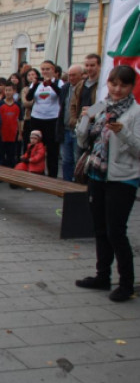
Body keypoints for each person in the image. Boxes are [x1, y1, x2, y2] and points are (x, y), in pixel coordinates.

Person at [74, 65, 140, 302]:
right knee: (100, 229)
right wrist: (84, 119)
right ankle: (102, 276)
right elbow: (82, 138)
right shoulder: (101, 106)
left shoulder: (135, 112)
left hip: (122, 179)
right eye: (113, 84)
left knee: (116, 231)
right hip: (97, 174)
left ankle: (126, 283)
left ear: (132, 87)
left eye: (123, 85)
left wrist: (123, 133)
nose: (117, 89)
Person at [26, 61, 62, 178]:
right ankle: (36, 172)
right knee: (35, 146)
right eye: (43, 69)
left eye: (48, 69)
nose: (45, 71)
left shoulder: (58, 82)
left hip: (52, 118)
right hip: (37, 117)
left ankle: (52, 176)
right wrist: (36, 84)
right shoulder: (37, 83)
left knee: (52, 149)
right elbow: (29, 97)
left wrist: (51, 84)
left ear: (53, 70)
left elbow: (61, 95)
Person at [69, 53, 101, 159]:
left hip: (96, 126)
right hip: (81, 125)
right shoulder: (81, 84)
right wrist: (74, 120)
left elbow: (105, 103)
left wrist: (92, 111)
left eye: (92, 65)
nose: (89, 68)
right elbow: (73, 104)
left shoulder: (102, 85)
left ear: (99, 66)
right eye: (87, 65)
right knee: (78, 159)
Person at [59, 64, 84, 181]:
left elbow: (96, 107)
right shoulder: (65, 88)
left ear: (81, 75)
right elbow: (61, 107)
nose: (71, 78)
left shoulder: (86, 87)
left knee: (77, 159)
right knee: (66, 159)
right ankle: (66, 183)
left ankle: (76, 186)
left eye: (74, 75)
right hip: (65, 128)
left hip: (79, 129)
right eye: (69, 75)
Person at [0, 83, 22, 168]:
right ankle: (0, 175)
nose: (8, 92)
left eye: (10, 90)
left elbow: (20, 120)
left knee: (11, 156)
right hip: (2, 134)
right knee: (0, 155)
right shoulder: (0, 105)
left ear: (14, 91)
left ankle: (11, 175)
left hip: (13, 134)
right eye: (6, 90)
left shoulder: (18, 105)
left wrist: (20, 134)